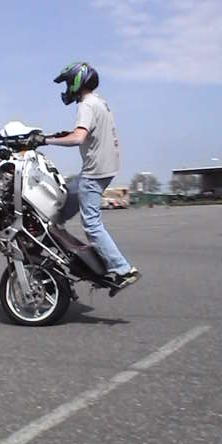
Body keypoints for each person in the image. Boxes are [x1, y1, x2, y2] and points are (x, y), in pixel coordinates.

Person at [32, 61, 141, 294]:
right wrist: (57, 134)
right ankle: (51, 237)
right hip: (102, 169)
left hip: (94, 172)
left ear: (77, 82)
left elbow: (78, 138)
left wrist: (45, 141)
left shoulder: (86, 105)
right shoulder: (99, 101)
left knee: (91, 224)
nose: (67, 89)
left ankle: (123, 269)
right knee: (62, 207)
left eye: (68, 83)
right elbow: (85, 132)